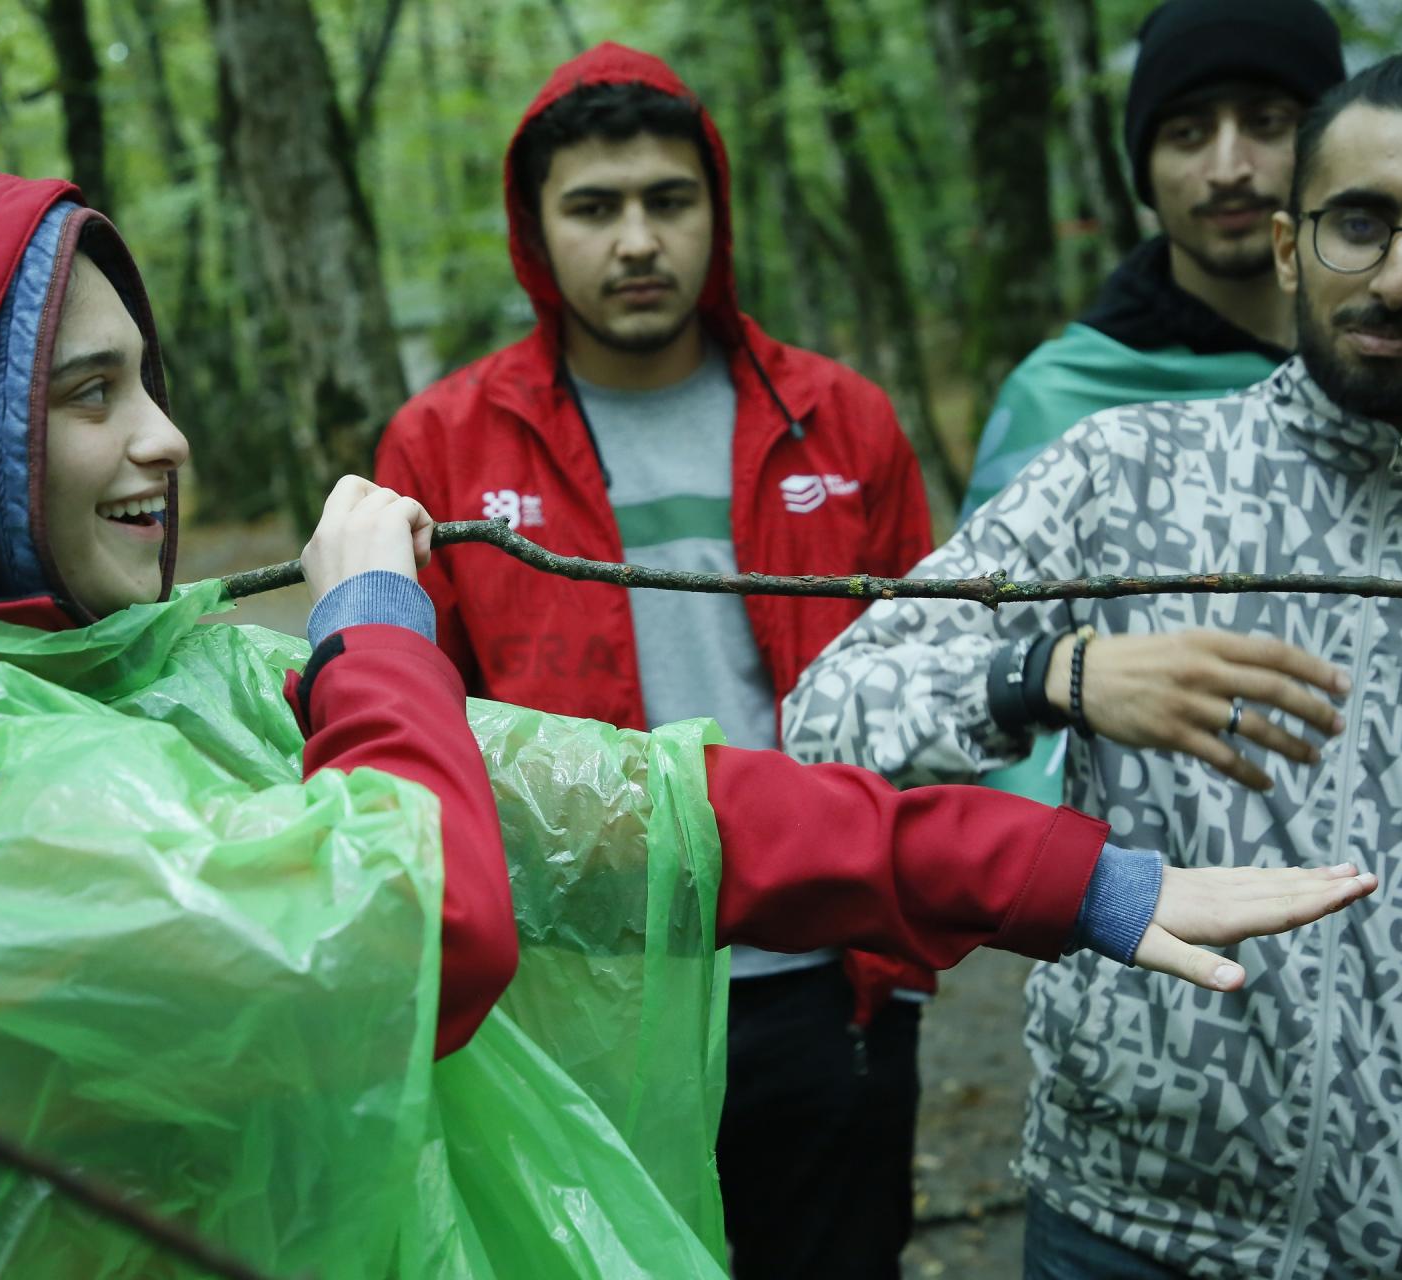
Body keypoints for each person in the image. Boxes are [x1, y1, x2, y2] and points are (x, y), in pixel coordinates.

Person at [0, 158, 1372, 1280]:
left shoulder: (161, 678)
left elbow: (634, 806)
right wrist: (374, 622)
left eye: (152, 379)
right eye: (85, 395)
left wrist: (1077, 883)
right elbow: (410, 930)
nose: (167, 440)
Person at [783, 48, 1402, 1280]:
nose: (1401, 276)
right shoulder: (1123, 474)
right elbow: (826, 712)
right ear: (1292, 243)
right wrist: (1057, 671)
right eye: (1360, 223)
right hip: (1127, 1225)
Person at [375, 42, 943, 1277]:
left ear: (713, 211)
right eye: (594, 207)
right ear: (535, 232)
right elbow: (411, 724)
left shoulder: (839, 417)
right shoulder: (443, 441)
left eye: (667, 201)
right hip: (586, 994)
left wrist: (896, 973)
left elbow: (927, 683)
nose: (636, 241)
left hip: (823, 976)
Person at [964, 0, 1345, 807]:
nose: (1229, 166)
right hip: (1135, 884)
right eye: (1187, 133)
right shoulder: (1063, 399)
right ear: (1144, 165)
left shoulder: (1390, 370)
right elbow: (977, 660)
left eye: (1268, 122)